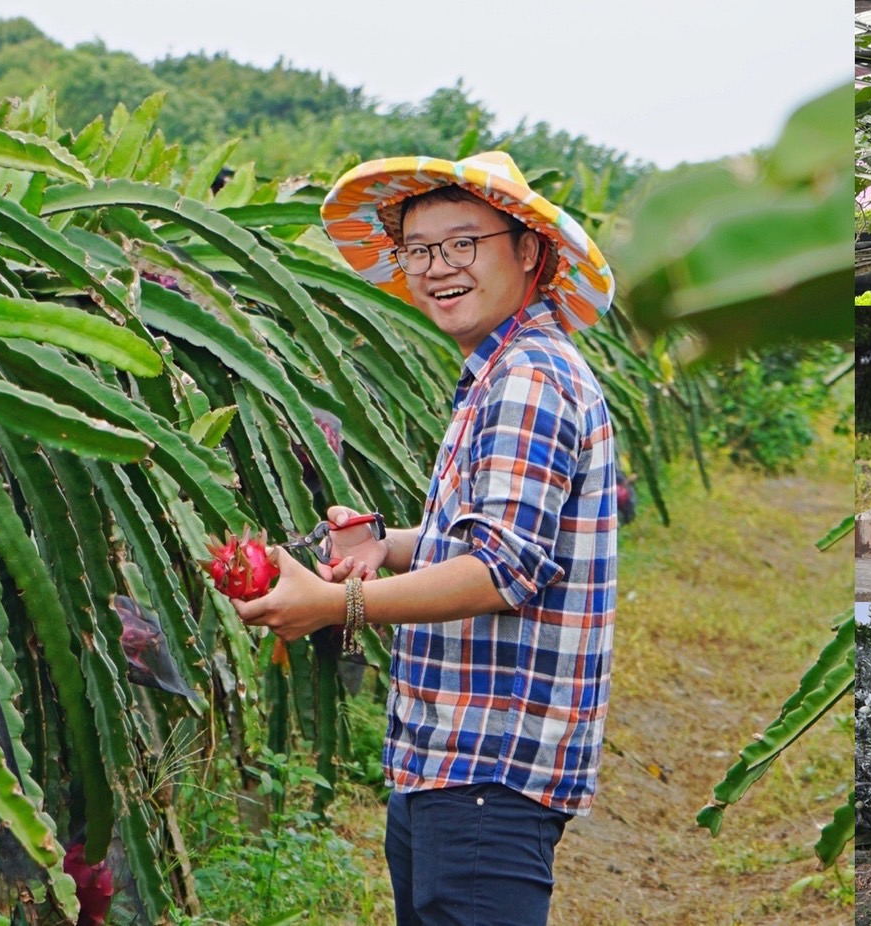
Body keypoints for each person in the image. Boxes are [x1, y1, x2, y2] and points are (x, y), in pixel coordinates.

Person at [234, 151, 618, 926]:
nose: (439, 268)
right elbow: (496, 536)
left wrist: (339, 601)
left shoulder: (529, 380)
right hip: (455, 760)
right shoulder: (501, 371)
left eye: (463, 243)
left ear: (529, 251)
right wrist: (388, 547)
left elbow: (501, 570)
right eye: (419, 249)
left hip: (488, 765)